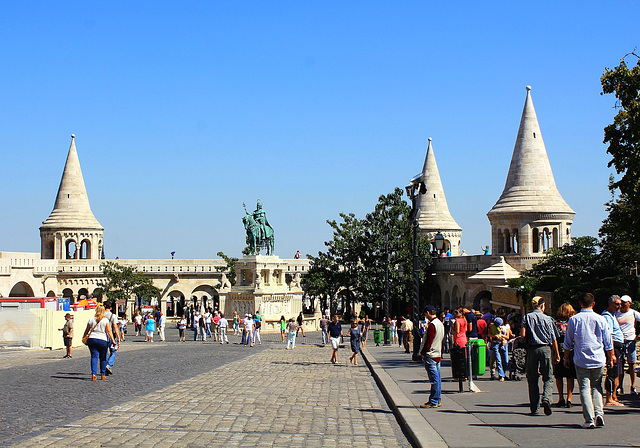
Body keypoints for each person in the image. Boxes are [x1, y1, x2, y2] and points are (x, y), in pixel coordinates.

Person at [563, 293, 615, 429]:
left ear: (580, 303)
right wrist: (611, 356)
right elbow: (608, 341)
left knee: (584, 388)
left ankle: (589, 419)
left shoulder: (574, 320)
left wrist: (566, 357)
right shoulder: (601, 319)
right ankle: (599, 413)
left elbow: (568, 342)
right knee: (597, 387)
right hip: (598, 358)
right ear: (593, 304)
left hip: (581, 359)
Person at [521, 296, 560, 416]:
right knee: (548, 376)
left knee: (532, 378)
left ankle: (534, 406)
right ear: (542, 305)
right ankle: (547, 398)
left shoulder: (527, 317)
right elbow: (553, 338)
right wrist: (557, 354)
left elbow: (522, 335)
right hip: (545, 349)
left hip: (532, 349)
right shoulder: (548, 319)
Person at [419, 305, 445, 408]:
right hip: (438, 353)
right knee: (437, 379)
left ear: (428, 313)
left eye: (425, 314)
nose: (425, 316)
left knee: (434, 380)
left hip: (431, 354)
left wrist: (423, 352)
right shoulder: (440, 324)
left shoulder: (432, 325)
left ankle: (434, 401)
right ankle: (437, 399)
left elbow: (429, 342)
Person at [82, 305, 115, 381]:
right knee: (103, 357)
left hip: (92, 339)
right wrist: (113, 340)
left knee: (94, 356)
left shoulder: (91, 319)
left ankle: (94, 374)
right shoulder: (105, 320)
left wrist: (84, 336)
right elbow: (109, 331)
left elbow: (87, 330)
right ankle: (103, 374)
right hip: (102, 340)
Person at [602, 295, 624, 405]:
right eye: (617, 304)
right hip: (613, 347)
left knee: (616, 373)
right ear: (610, 304)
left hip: (618, 347)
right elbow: (608, 334)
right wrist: (612, 353)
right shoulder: (607, 316)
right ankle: (609, 398)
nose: (619, 306)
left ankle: (614, 396)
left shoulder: (613, 315)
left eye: (620, 304)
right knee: (612, 372)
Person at [615, 294, 640, 395]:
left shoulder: (633, 313)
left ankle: (633, 386)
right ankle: (619, 386)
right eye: (621, 303)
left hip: (630, 341)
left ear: (629, 303)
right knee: (620, 365)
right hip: (620, 341)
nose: (622, 305)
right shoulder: (617, 314)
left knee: (632, 364)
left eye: (625, 303)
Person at [553, 303, 577, 407]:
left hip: (559, 350)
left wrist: (555, 353)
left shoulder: (556, 324)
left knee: (558, 376)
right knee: (570, 376)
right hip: (571, 351)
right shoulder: (573, 323)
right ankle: (569, 398)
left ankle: (560, 397)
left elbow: (554, 339)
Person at [104, 301, 121, 376]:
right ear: (110, 308)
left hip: (102, 336)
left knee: (104, 353)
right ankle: (109, 365)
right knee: (113, 351)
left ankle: (103, 367)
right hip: (111, 337)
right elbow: (115, 327)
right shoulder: (113, 316)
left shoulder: (100, 315)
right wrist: (118, 337)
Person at [490, 317, 510, 382]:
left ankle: (503, 373)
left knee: (505, 360)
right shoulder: (492, 326)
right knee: (498, 360)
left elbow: (507, 337)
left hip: (504, 343)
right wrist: (495, 336)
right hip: (496, 343)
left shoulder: (506, 327)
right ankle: (501, 375)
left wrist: (501, 335)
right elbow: (489, 334)